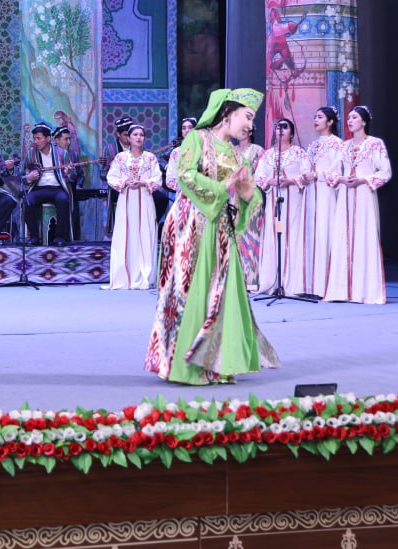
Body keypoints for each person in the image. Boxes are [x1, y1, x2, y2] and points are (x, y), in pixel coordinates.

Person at [146, 87, 279, 385]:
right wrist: (222, 188)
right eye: (247, 116)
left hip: (220, 227)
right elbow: (185, 175)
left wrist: (249, 194)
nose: (250, 125)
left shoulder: (236, 154)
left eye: (252, 119)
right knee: (190, 291)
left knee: (222, 293)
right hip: (190, 224)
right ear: (227, 113)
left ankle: (217, 363)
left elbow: (250, 194)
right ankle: (185, 366)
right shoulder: (197, 138)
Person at [325, 105, 392, 304]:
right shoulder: (344, 146)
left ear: (364, 121)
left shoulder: (375, 144)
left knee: (365, 237)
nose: (350, 121)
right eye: (348, 118)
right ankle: (341, 291)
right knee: (342, 238)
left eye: (354, 117)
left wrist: (363, 180)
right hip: (345, 196)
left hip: (364, 195)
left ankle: (365, 291)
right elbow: (330, 172)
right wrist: (342, 179)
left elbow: (385, 171)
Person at [254, 118, 314, 296]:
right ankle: (273, 281)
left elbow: (307, 174)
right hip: (274, 199)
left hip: (293, 200)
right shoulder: (267, 155)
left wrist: (291, 180)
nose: (280, 130)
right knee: (274, 236)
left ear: (292, 133)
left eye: (284, 127)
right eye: (278, 127)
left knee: (292, 236)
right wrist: (270, 181)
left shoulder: (299, 153)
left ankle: (293, 284)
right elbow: (258, 176)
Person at [106, 124, 162, 289]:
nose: (138, 137)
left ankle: (146, 275)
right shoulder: (120, 158)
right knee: (126, 234)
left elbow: (157, 178)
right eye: (135, 134)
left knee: (146, 233)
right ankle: (125, 275)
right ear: (129, 138)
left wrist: (143, 182)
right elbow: (111, 177)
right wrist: (125, 182)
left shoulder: (150, 158)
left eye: (141, 135)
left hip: (145, 199)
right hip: (126, 199)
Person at [303, 107, 343, 298]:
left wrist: (317, 174)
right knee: (312, 235)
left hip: (326, 192)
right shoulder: (312, 145)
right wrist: (305, 175)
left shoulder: (338, 145)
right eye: (314, 117)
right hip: (311, 192)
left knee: (325, 233)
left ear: (330, 121)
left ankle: (326, 285)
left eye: (320, 117)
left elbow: (337, 170)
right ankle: (312, 285)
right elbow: (306, 166)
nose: (315, 120)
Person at [24, 121, 74, 247]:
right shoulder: (31, 154)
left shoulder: (62, 153)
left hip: (57, 188)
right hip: (38, 188)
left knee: (63, 199)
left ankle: (60, 237)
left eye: (39, 138)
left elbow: (73, 176)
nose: (36, 141)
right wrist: (29, 178)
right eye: (34, 138)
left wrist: (68, 173)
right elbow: (22, 175)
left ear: (48, 138)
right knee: (28, 201)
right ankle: (34, 237)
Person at [164, 117, 197, 195]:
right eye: (184, 128)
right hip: (183, 195)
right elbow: (169, 179)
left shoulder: (204, 150)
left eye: (190, 127)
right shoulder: (176, 152)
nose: (187, 130)